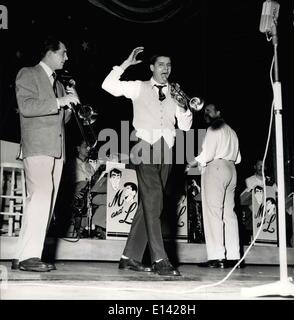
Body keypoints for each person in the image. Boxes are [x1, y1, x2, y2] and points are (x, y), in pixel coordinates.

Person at [102, 47, 192, 276]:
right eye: (161, 64)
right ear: (152, 67)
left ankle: (129, 257)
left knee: (149, 204)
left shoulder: (176, 92)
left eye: (169, 65)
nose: (165, 69)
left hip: (167, 151)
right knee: (154, 199)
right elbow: (108, 86)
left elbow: (185, 126)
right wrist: (124, 64)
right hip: (144, 148)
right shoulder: (138, 86)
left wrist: (183, 106)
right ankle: (160, 258)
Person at [12, 36, 80, 272]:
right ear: (50, 53)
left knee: (42, 203)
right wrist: (60, 101)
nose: (66, 57)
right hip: (38, 146)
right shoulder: (28, 73)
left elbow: (60, 119)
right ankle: (31, 256)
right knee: (40, 199)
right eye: (63, 53)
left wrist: (71, 106)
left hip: (56, 149)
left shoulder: (60, 84)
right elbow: (27, 107)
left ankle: (21, 254)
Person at [187, 103, 241, 269]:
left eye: (209, 110)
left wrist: (192, 163)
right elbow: (238, 158)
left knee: (213, 214)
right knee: (229, 215)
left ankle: (217, 257)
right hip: (231, 169)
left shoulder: (213, 129)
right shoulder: (232, 131)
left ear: (218, 112)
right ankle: (233, 257)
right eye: (205, 111)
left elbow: (208, 154)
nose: (206, 113)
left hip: (216, 168)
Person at [69, 140, 107, 239]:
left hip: (90, 194)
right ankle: (89, 227)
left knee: (109, 199)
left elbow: (94, 183)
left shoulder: (90, 166)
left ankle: (95, 225)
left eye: (89, 147)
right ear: (78, 149)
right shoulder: (71, 164)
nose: (88, 149)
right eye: (85, 146)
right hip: (78, 195)